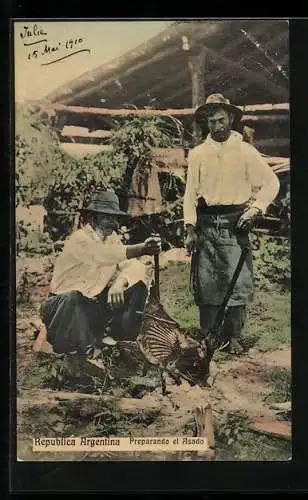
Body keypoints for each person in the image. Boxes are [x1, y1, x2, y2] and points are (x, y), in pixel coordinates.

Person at [184, 93, 280, 355]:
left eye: (222, 120)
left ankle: (234, 336)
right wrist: (190, 228)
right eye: (212, 122)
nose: (218, 126)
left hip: (236, 223)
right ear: (206, 123)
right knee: (207, 282)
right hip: (206, 223)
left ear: (231, 119)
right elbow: (190, 194)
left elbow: (272, 183)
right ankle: (209, 335)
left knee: (237, 281)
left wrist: (256, 209)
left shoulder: (246, 152)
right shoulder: (197, 154)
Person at [40, 191, 161, 354]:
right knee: (74, 298)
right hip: (61, 307)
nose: (112, 222)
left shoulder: (112, 239)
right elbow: (101, 255)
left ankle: (123, 343)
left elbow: (134, 266)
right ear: (92, 218)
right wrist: (141, 248)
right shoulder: (79, 239)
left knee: (137, 288)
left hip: (92, 306)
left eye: (115, 217)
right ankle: (77, 349)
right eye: (107, 217)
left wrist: (120, 281)